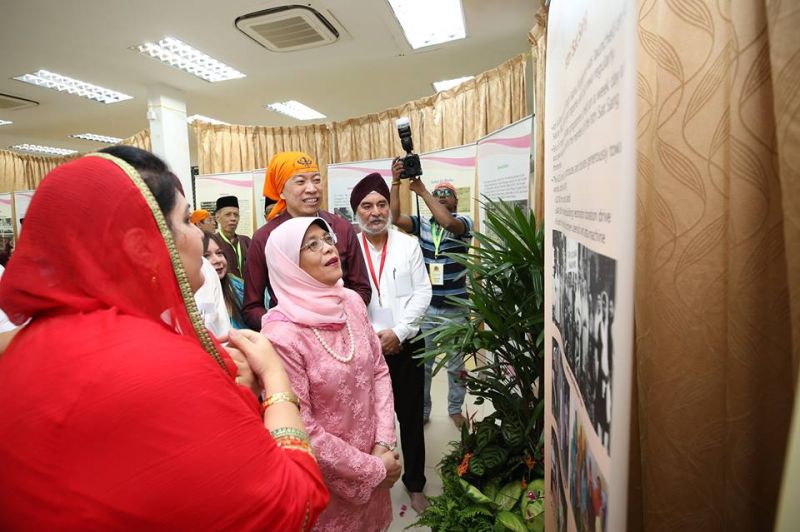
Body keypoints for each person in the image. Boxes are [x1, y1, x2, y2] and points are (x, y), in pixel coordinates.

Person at [0, 149, 329, 529]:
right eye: (187, 220)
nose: (198, 235)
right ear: (142, 247)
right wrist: (275, 380)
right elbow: (294, 504)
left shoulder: (19, 350)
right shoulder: (159, 364)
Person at [261, 216, 400, 531]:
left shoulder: (350, 302)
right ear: (289, 265)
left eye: (327, 239)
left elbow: (378, 371)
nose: (327, 248)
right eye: (312, 245)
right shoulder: (281, 334)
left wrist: (383, 443)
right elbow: (301, 428)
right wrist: (372, 468)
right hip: (327, 483)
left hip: (376, 459)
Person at [350, 173, 432, 513]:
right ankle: (370, 481)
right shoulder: (347, 248)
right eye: (367, 206)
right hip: (362, 349)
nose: (375, 212)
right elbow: (344, 298)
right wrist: (373, 337)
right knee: (366, 421)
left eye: (381, 204)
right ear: (356, 212)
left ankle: (415, 483)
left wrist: (399, 331)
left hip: (407, 344)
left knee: (410, 417)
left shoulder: (408, 244)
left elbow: (423, 291)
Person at [242, 151, 371, 330]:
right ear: (281, 191)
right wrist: (283, 328)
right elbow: (251, 307)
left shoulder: (341, 228)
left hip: (343, 329)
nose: (311, 188)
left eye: (316, 180)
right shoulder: (265, 238)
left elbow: (362, 289)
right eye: (300, 181)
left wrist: (339, 321)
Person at [389, 159, 473, 428]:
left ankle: (455, 408)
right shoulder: (423, 225)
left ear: (456, 202)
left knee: (455, 364)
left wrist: (423, 191)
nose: (440, 196)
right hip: (427, 309)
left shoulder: (463, 222)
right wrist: (395, 183)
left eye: (446, 193)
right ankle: (423, 410)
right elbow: (394, 219)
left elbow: (448, 223)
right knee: (423, 365)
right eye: (437, 193)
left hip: (455, 309)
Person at [204, 233, 246, 330]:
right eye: (206, 256)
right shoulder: (194, 301)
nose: (217, 260)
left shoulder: (237, 286)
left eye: (219, 253)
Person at [215, 195, 250, 279]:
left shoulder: (246, 241)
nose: (233, 218)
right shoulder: (213, 242)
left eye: (236, 215)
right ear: (217, 218)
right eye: (228, 214)